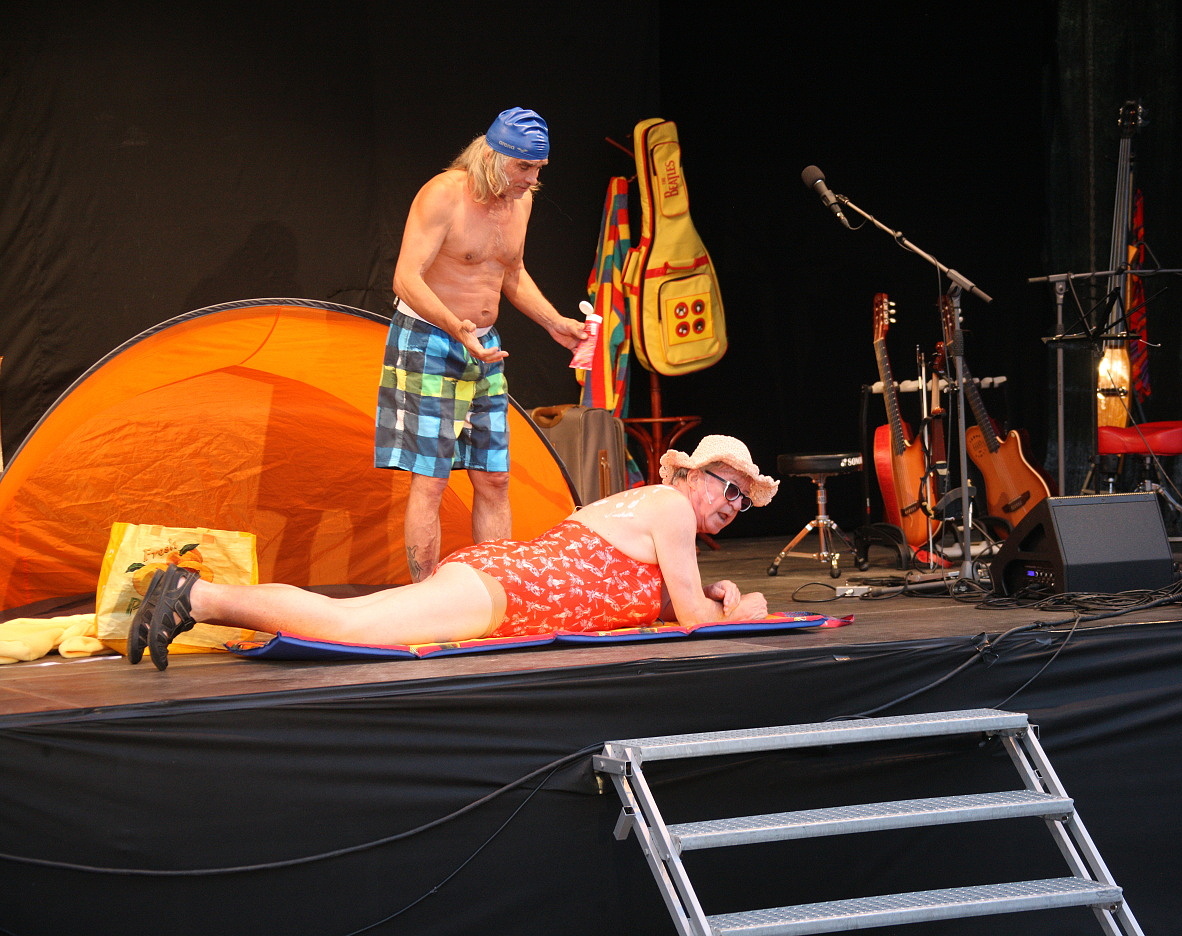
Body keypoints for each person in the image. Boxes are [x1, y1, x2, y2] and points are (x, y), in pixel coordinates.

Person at [127, 436, 779, 670]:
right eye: (728, 487)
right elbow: (694, 622)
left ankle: (197, 596)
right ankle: (196, 594)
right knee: (349, 626)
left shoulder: (657, 513)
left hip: (507, 587)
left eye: (743, 500)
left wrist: (710, 593)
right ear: (690, 475)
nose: (733, 504)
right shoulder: (669, 507)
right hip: (511, 590)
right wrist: (745, 605)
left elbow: (662, 598)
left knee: (355, 621)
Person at [376, 106, 588, 582]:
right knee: (431, 480)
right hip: (429, 341)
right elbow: (406, 278)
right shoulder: (444, 194)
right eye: (524, 167)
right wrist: (457, 328)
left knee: (495, 477)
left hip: (483, 347)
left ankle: (497, 593)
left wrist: (554, 322)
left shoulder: (521, 201)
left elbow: (511, 272)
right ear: (492, 155)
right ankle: (427, 598)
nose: (532, 180)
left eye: (539, 169)